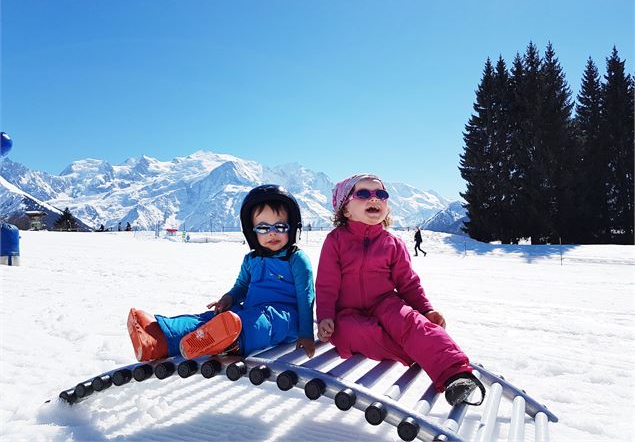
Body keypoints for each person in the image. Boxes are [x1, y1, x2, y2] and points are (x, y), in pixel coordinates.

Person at [315, 174, 484, 406]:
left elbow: (408, 283)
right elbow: (326, 284)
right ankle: (416, 350)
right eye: (363, 193)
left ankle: (456, 375)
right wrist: (325, 317)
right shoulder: (335, 241)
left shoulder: (392, 243)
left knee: (412, 323)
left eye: (380, 194)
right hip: (347, 311)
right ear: (345, 210)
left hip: (386, 303)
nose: (374, 198)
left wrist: (426, 311)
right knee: (350, 332)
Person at [127, 184, 316, 362]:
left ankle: (230, 344)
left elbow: (306, 297)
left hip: (286, 319)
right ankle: (159, 339)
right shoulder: (251, 260)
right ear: (252, 232)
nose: (272, 233)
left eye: (280, 227)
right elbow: (241, 287)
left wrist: (306, 334)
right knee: (214, 320)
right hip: (247, 312)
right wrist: (229, 298)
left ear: (292, 229)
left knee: (261, 320)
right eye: (263, 228)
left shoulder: (296, 259)